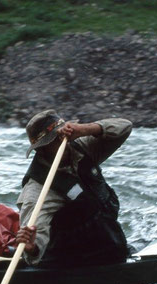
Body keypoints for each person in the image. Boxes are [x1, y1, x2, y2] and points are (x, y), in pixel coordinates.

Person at [15, 109, 132, 268]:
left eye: (64, 135)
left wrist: (86, 129)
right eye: (56, 139)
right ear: (41, 149)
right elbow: (34, 245)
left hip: (109, 244)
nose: (64, 141)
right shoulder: (37, 191)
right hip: (71, 262)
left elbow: (124, 128)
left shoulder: (82, 148)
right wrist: (32, 248)